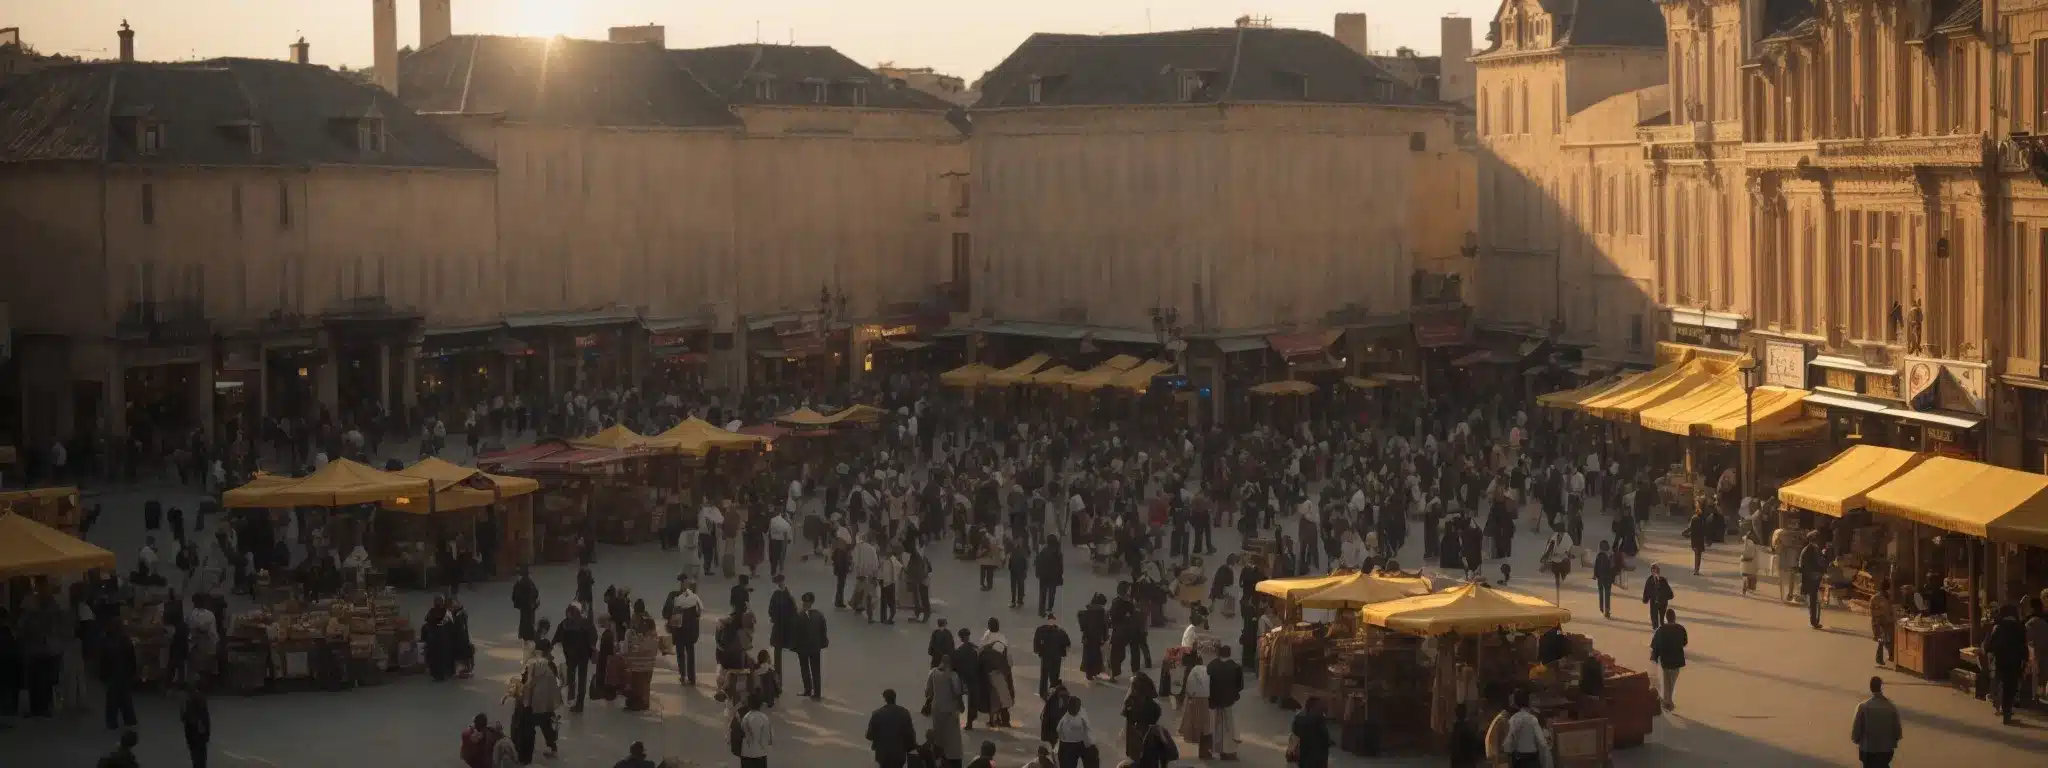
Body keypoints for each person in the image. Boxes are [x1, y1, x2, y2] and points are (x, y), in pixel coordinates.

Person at [1984, 604, 2029, 724]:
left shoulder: (1998, 627)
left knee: (2001, 683)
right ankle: (2007, 711)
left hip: (2001, 660)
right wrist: (2025, 659)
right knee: (2011, 686)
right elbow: (2024, 645)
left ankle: (2003, 709)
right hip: (2015, 662)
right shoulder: (2020, 627)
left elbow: (1990, 646)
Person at [924, 656, 968, 765]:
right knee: (952, 736)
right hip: (950, 710)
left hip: (936, 709)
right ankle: (952, 758)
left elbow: (928, 692)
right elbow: (957, 693)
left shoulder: (933, 672)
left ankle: (938, 756)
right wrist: (961, 706)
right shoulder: (953, 675)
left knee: (939, 733)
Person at [1851, 676, 1901, 767]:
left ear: (1870, 688)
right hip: (1886, 750)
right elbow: (1898, 731)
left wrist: (1857, 739)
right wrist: (1893, 742)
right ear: (1881, 687)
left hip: (1868, 750)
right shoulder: (1891, 707)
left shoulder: (1863, 707)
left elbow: (1856, 730)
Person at [865, 688, 919, 768]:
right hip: (899, 754)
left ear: (884, 699)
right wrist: (911, 746)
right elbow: (910, 734)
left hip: (883, 755)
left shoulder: (877, 714)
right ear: (895, 698)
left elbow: (869, 735)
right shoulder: (904, 713)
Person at [663, 578, 703, 687]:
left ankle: (683, 676)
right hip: (688, 631)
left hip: (680, 631)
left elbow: (665, 613)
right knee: (689, 654)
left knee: (682, 653)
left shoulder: (674, 596)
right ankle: (690, 677)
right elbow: (698, 615)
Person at [1207, 646, 1244, 761]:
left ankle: (1214, 749)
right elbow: (1240, 686)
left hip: (1213, 701)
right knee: (1229, 727)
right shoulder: (1236, 667)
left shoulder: (1211, 665)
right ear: (1230, 653)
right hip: (1229, 701)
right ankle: (1228, 751)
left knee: (1215, 726)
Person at [98, 625, 139, 731]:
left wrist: (102, 675)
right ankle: (129, 719)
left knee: (112, 699)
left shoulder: (106, 642)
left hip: (111, 673)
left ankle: (112, 722)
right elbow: (132, 659)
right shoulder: (126, 641)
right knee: (125, 697)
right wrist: (133, 672)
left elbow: (102, 660)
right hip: (124, 672)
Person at [1176, 647, 1213, 758]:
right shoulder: (1205, 670)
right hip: (1204, 700)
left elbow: (1187, 686)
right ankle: (1204, 750)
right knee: (1205, 725)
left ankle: (1193, 738)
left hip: (1193, 699)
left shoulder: (1190, 671)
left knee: (1193, 722)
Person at [1649, 608, 1687, 711]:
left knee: (1666, 681)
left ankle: (1667, 701)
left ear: (1666, 618)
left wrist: (1655, 656)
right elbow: (1685, 642)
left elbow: (1654, 644)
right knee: (1672, 681)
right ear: (1674, 617)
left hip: (1665, 660)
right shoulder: (1681, 628)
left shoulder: (1661, 630)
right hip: (1677, 660)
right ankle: (1669, 700)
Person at [1497, 691, 1548, 768]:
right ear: (1528, 702)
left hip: (1518, 760)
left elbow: (1508, 743)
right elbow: (1542, 743)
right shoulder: (1532, 719)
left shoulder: (1513, 719)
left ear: (1516, 704)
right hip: (1532, 759)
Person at [792, 592, 828, 699]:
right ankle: (817, 693)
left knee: (805, 669)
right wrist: (822, 644)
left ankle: (807, 689)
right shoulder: (819, 615)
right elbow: (823, 631)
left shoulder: (798, 615)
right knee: (815, 669)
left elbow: (795, 632)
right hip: (815, 647)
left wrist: (794, 646)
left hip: (803, 648)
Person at [1033, 614, 1072, 699]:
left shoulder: (1040, 630)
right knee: (1054, 675)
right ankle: (1053, 690)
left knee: (1044, 675)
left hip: (1045, 656)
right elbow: (1067, 643)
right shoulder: (1060, 632)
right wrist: (1063, 653)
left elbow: (1036, 642)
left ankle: (1043, 692)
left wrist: (1038, 651)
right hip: (1056, 656)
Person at [1288, 697, 1332, 768]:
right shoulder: (1319, 718)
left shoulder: (1299, 717)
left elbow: (1294, 733)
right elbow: (1325, 736)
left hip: (1303, 755)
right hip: (1317, 757)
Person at [767, 575, 798, 672]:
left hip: (778, 625)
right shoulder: (787, 594)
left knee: (777, 647)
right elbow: (794, 609)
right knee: (781, 645)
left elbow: (771, 610)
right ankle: (778, 669)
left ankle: (777, 670)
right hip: (786, 625)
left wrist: (773, 618)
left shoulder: (776, 595)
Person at [1054, 697, 1094, 768]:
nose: (1078, 709)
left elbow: (1087, 729)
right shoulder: (1063, 721)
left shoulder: (1082, 713)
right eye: (1076, 707)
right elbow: (1058, 733)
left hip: (1081, 743)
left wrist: (1089, 744)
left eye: (1079, 707)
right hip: (1067, 745)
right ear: (1069, 707)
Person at [1078, 594, 1109, 681]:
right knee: (1097, 655)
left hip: (1087, 637)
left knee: (1088, 655)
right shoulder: (1103, 613)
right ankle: (1095, 671)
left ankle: (1089, 672)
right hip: (1098, 637)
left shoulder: (1086, 612)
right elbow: (1105, 626)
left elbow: (1082, 626)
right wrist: (1105, 637)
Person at [1799, 537, 1827, 629]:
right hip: (1810, 579)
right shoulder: (1807, 551)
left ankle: (1814, 620)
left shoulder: (1815, 550)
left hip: (1815, 578)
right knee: (1813, 600)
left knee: (1813, 601)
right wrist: (1813, 574)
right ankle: (1814, 621)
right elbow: (1804, 566)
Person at [738, 698, 774, 768]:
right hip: (760, 753)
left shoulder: (745, 718)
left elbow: (742, 734)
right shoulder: (764, 718)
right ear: (760, 706)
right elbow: (768, 736)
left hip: (746, 753)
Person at [181, 685, 211, 768]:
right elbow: (206, 720)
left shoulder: (189, 701)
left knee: (197, 759)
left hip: (195, 735)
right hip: (199, 736)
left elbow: (184, 718)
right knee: (200, 760)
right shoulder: (198, 699)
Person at [1446, 702, 1483, 768]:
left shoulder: (1455, 727)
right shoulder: (1468, 726)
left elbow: (1451, 745)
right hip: (1465, 760)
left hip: (1460, 760)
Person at [1870, 582, 1897, 667]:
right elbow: (1873, 612)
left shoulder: (1888, 596)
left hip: (1889, 622)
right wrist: (1876, 625)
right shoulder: (1875, 598)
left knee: (1890, 641)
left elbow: (1891, 609)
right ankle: (1880, 659)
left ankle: (1890, 657)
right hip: (1880, 623)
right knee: (1882, 641)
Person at [512, 567, 540, 642]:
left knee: (525, 620)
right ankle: (528, 635)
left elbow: (515, 595)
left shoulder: (522, 583)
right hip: (529, 605)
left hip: (526, 605)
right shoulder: (527, 583)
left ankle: (525, 635)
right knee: (529, 620)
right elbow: (535, 593)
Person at [1641, 564, 1673, 629]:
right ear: (1651, 572)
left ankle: (1661, 627)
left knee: (1661, 616)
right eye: (1653, 572)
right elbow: (1646, 590)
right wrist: (1645, 599)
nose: (1655, 574)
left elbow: (1668, 590)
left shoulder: (1663, 580)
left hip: (1662, 601)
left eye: (1656, 572)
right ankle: (1655, 628)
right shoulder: (1650, 580)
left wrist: (1668, 596)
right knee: (1654, 615)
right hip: (1653, 600)